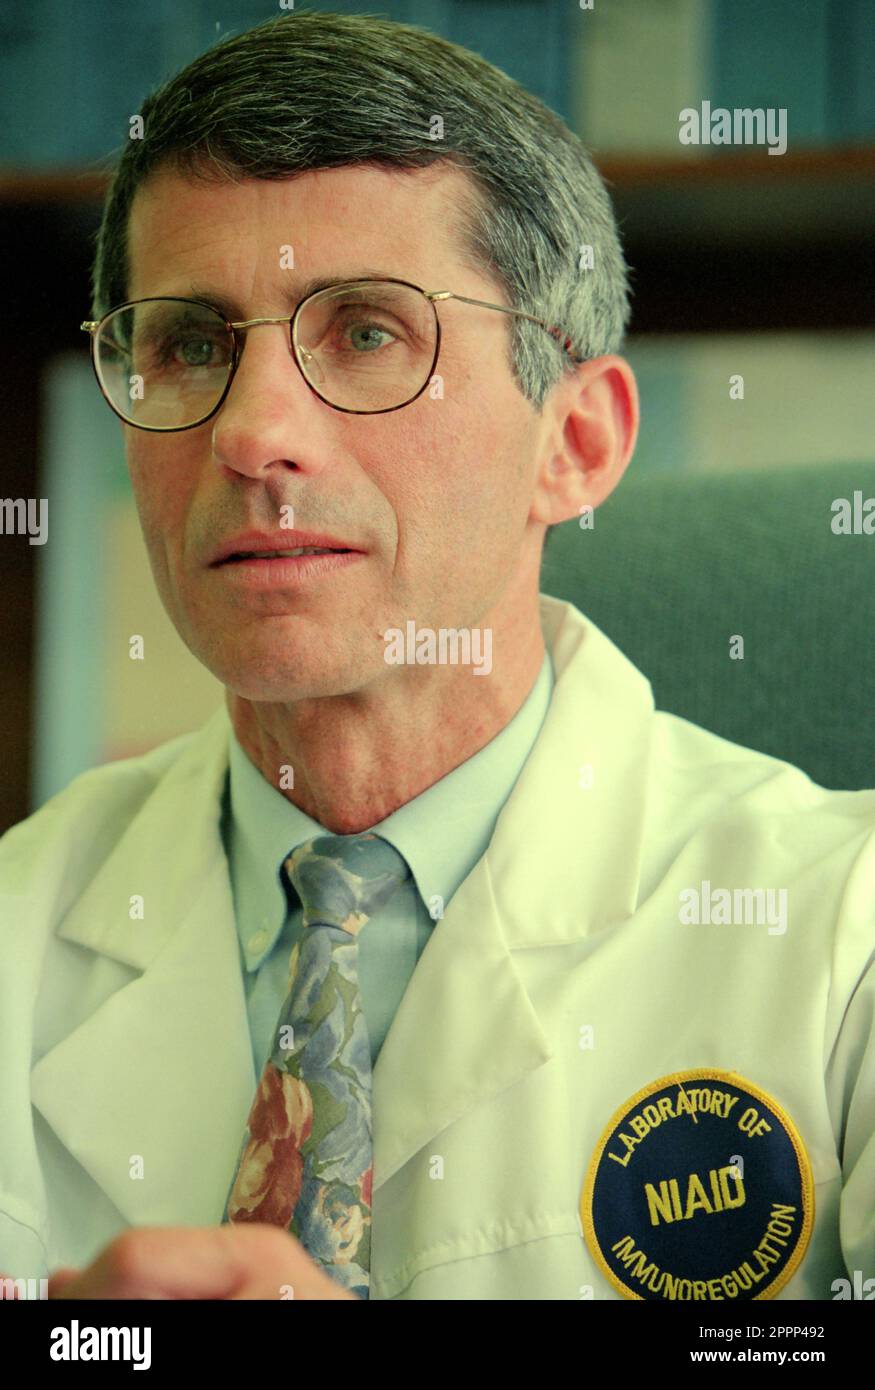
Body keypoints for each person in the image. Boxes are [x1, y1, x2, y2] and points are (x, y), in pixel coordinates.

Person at [1, 10, 873, 1303]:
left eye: (363, 332)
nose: (252, 437)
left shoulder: (844, 935)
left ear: (574, 441)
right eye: (189, 343)